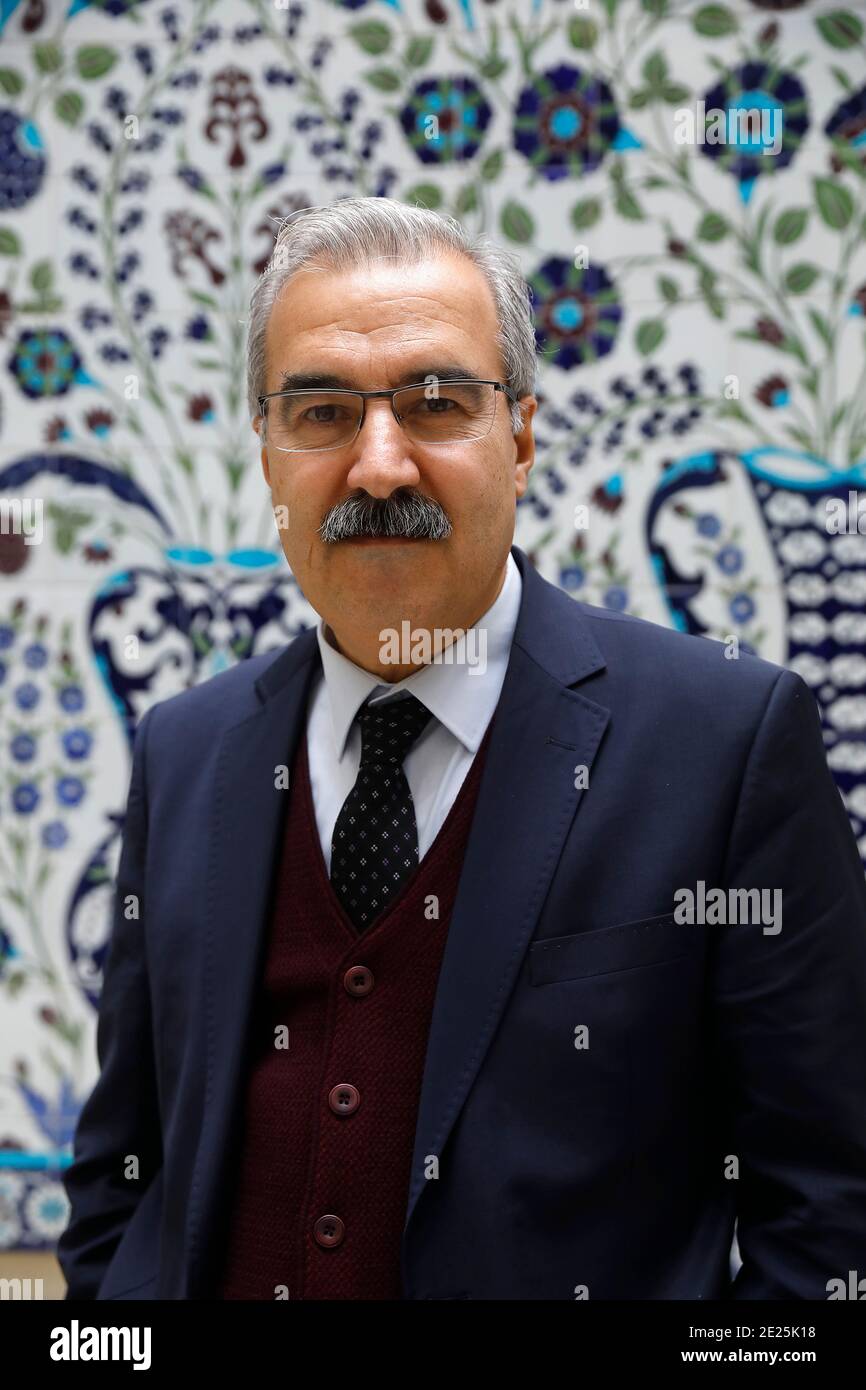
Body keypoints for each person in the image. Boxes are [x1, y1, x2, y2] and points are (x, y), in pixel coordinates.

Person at [58, 197, 866, 1301]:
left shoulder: (726, 745)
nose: (379, 466)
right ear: (268, 456)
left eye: (435, 403)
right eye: (321, 412)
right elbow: (124, 1174)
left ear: (519, 440)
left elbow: (828, 1209)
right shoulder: (186, 752)